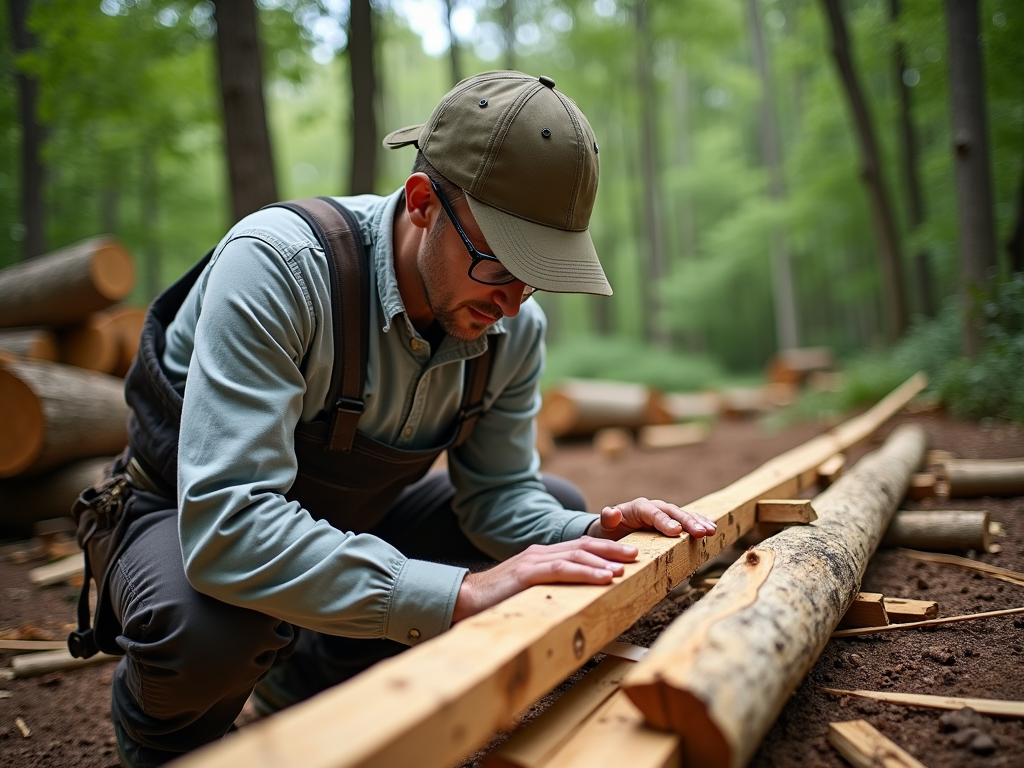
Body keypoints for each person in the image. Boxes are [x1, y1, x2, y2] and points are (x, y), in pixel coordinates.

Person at [90, 71, 717, 767]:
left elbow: (500, 498)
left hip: (348, 522)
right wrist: (462, 593)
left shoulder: (514, 327)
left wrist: (592, 532)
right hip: (182, 515)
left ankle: (306, 677)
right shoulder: (279, 268)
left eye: (537, 275)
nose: (512, 304)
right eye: (500, 264)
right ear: (422, 202)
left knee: (560, 508)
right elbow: (229, 525)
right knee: (207, 635)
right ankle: (164, 736)